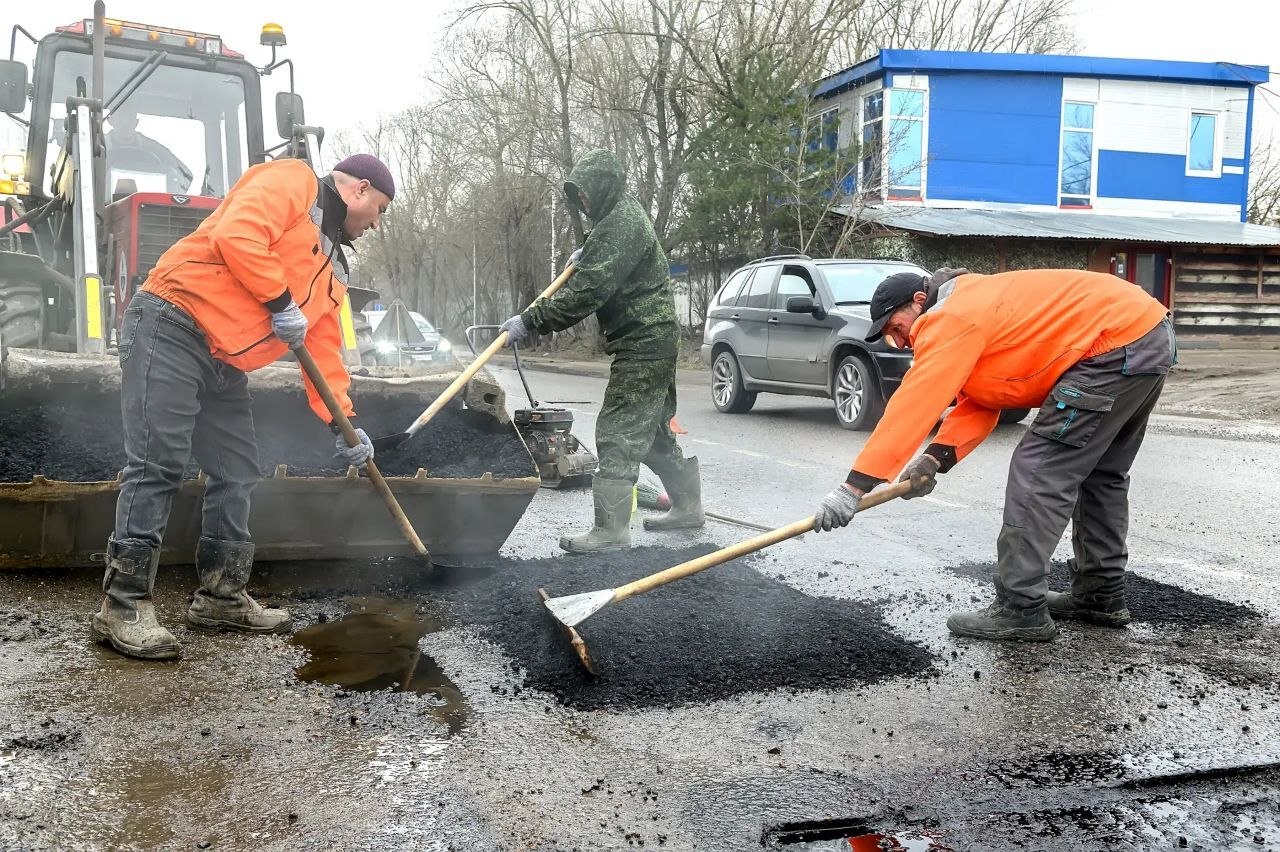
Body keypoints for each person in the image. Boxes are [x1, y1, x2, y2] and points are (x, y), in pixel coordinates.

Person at [91, 153, 395, 661]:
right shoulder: (294, 181)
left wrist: (345, 426)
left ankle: (221, 596)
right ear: (359, 190)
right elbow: (238, 233)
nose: (376, 222)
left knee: (238, 469)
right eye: (380, 208)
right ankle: (122, 605)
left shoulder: (330, 266)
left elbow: (321, 354)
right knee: (157, 463)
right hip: (171, 322)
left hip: (220, 356)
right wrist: (280, 302)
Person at [812, 268, 1175, 641]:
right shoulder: (976, 305)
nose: (899, 341)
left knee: (1040, 470)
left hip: (1113, 346)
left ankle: (1021, 607)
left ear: (919, 302)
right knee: (1101, 472)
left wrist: (854, 487)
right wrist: (935, 458)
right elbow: (986, 397)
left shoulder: (949, 316)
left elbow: (915, 400)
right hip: (1145, 334)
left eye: (894, 327)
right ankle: (1100, 594)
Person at [498, 148, 701, 553]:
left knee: (618, 431)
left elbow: (588, 292)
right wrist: (588, 251)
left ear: (605, 187)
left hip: (644, 342)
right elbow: (603, 263)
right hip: (648, 339)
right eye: (579, 195)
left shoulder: (621, 223)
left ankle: (609, 532)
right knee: (655, 435)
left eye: (587, 193)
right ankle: (688, 506)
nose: (584, 201)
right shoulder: (615, 220)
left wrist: (531, 321)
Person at [104, 104, 193, 193]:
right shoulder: (97, 145)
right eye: (120, 118)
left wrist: (174, 201)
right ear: (111, 121)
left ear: (136, 122)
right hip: (101, 203)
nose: (125, 123)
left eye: (130, 118)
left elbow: (186, 176)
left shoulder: (154, 148)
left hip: (146, 204)